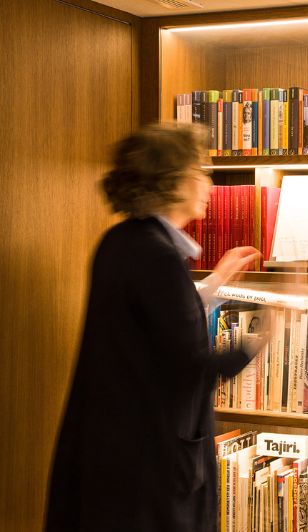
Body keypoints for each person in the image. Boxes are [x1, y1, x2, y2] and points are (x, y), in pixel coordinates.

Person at [45, 123, 263, 531]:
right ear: (175, 180)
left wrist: (213, 285)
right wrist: (266, 333)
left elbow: (152, 326)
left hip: (115, 452)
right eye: (203, 171)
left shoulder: (123, 240)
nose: (209, 185)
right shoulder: (158, 257)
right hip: (150, 466)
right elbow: (193, 367)